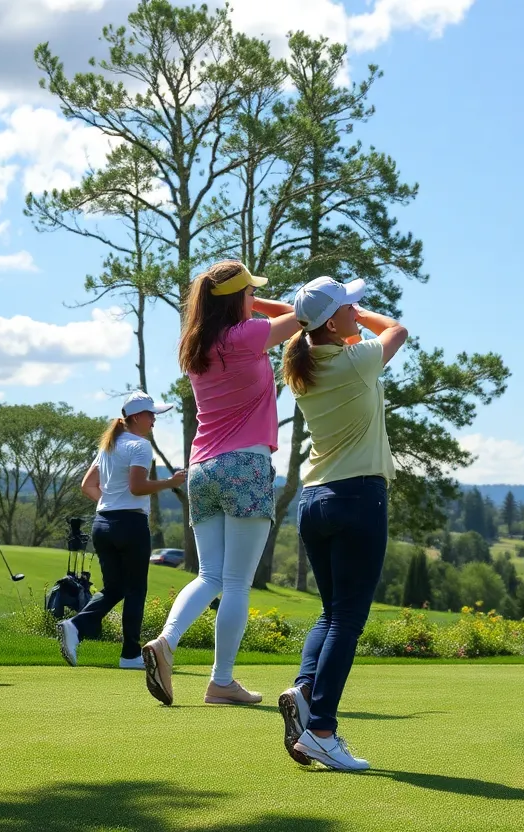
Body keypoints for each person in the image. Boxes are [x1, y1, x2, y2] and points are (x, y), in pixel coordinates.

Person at [141, 260, 301, 707]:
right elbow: (308, 312)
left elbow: (282, 316)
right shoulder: (248, 335)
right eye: (249, 292)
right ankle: (221, 680)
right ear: (237, 299)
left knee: (209, 575)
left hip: (203, 469)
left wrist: (245, 297)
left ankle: (166, 642)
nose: (255, 299)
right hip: (244, 466)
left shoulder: (195, 344)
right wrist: (255, 302)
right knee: (236, 583)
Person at [274, 276, 407, 772]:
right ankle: (322, 729)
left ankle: (306, 691)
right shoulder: (356, 360)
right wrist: (358, 314)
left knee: (331, 614)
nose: (359, 310)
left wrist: (328, 314)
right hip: (357, 498)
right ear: (332, 323)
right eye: (351, 306)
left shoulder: (301, 366)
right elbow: (397, 328)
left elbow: (328, 330)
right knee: (347, 619)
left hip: (314, 502)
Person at [58, 392, 186, 669]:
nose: (154, 420)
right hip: (130, 525)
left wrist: (111, 503)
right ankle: (130, 655)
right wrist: (171, 482)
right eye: (151, 415)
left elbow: (87, 486)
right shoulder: (139, 446)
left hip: (103, 523)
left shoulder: (109, 445)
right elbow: (138, 487)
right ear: (137, 417)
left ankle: (76, 626)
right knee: (136, 589)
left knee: (115, 588)